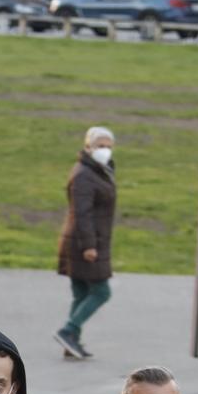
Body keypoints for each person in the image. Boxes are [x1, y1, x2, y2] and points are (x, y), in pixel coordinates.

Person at [55, 126, 116, 361]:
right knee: (101, 291)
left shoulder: (99, 170)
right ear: (88, 146)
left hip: (82, 240)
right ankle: (68, 331)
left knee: (81, 293)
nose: (105, 150)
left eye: (109, 146)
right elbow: (82, 213)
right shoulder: (84, 175)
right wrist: (90, 245)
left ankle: (71, 342)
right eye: (100, 145)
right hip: (84, 243)